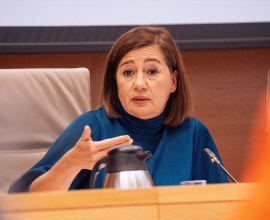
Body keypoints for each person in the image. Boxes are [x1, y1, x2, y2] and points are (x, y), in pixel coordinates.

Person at [8, 25, 228, 193]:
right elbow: (24, 199)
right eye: (128, 73)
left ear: (173, 81)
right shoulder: (92, 128)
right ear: (115, 82)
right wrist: (71, 164)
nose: (139, 84)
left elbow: (222, 205)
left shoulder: (193, 134)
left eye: (152, 71)